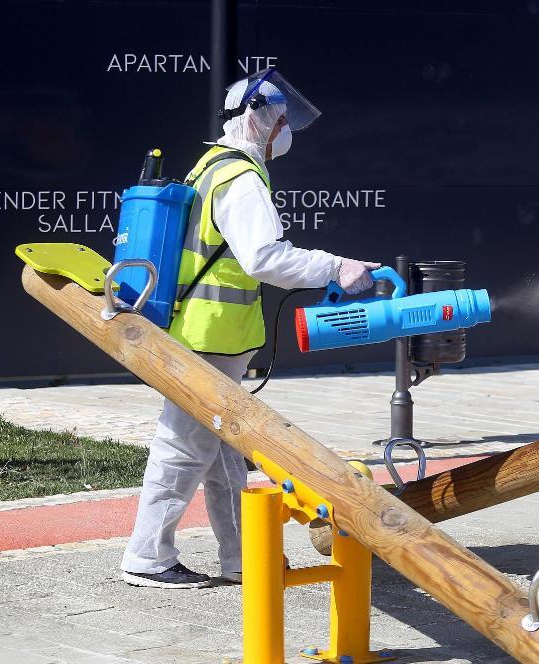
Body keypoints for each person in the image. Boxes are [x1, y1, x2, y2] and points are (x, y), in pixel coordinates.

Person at [120, 69, 379, 589]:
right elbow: (263, 258)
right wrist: (335, 267)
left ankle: (243, 558)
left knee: (222, 449)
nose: (287, 132)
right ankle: (147, 558)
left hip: (207, 331)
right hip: (208, 335)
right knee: (184, 447)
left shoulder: (210, 166)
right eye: (282, 120)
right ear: (261, 120)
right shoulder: (241, 179)